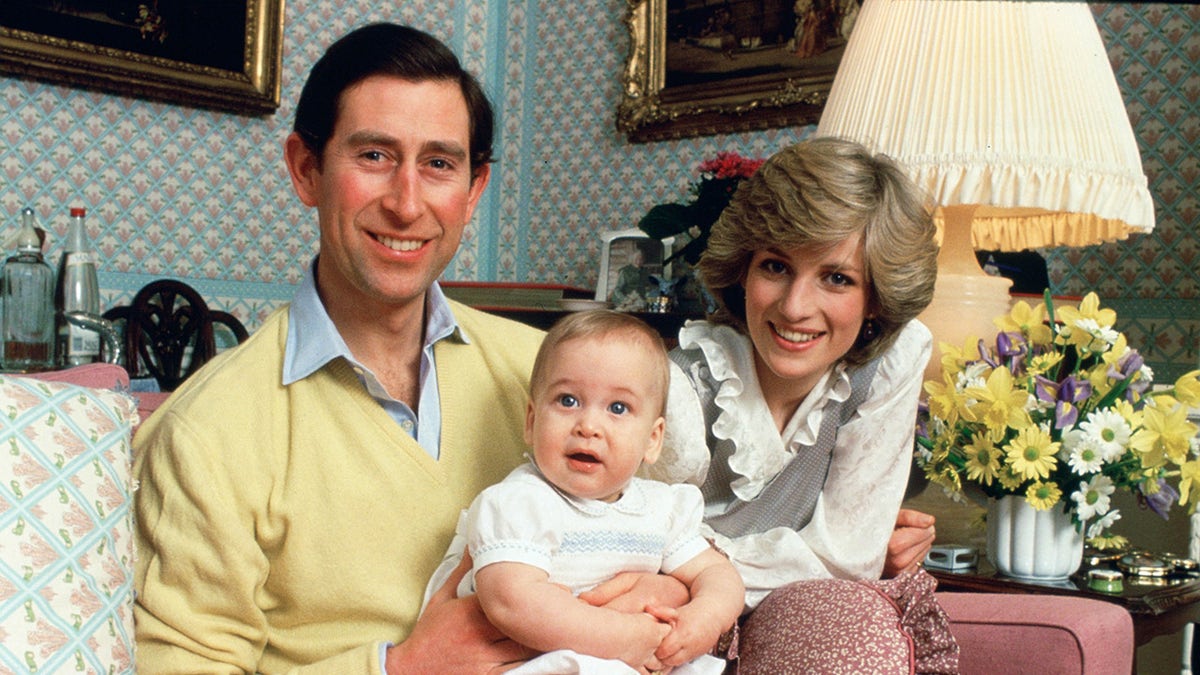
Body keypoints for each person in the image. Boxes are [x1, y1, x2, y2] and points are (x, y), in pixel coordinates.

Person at [132, 23, 555, 673]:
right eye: (375, 156)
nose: (407, 203)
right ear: (307, 170)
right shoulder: (208, 432)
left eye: (439, 163)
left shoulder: (548, 376)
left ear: (473, 190)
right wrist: (397, 667)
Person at [638, 136, 956, 670]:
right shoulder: (680, 386)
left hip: (791, 610)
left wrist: (709, 562)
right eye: (776, 267)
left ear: (876, 295)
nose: (795, 307)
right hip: (676, 621)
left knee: (854, 629)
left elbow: (848, 558)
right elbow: (636, 552)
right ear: (744, 269)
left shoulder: (892, 363)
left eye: (836, 278)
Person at [444, 310, 743, 674]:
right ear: (532, 421)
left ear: (653, 440)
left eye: (618, 408)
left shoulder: (660, 509)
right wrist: (623, 637)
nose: (588, 426)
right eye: (568, 400)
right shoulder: (520, 503)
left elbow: (717, 574)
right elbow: (512, 602)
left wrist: (703, 619)